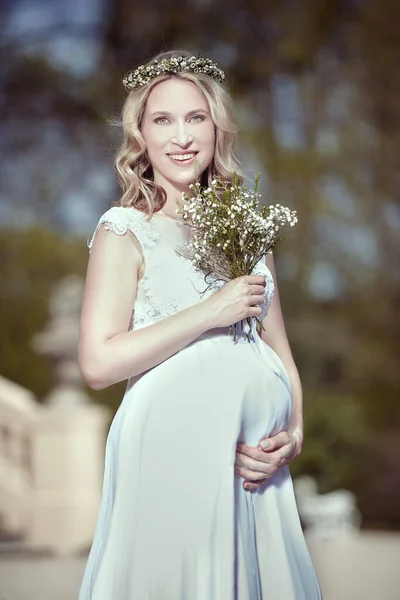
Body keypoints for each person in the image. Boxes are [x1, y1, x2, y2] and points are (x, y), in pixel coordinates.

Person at [78, 50, 322, 600]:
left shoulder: (250, 232)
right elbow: (97, 363)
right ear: (140, 134)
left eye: (196, 118)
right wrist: (210, 311)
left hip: (254, 473)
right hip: (169, 456)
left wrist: (292, 437)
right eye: (162, 119)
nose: (182, 136)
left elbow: (281, 353)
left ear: (218, 128)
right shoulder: (125, 230)